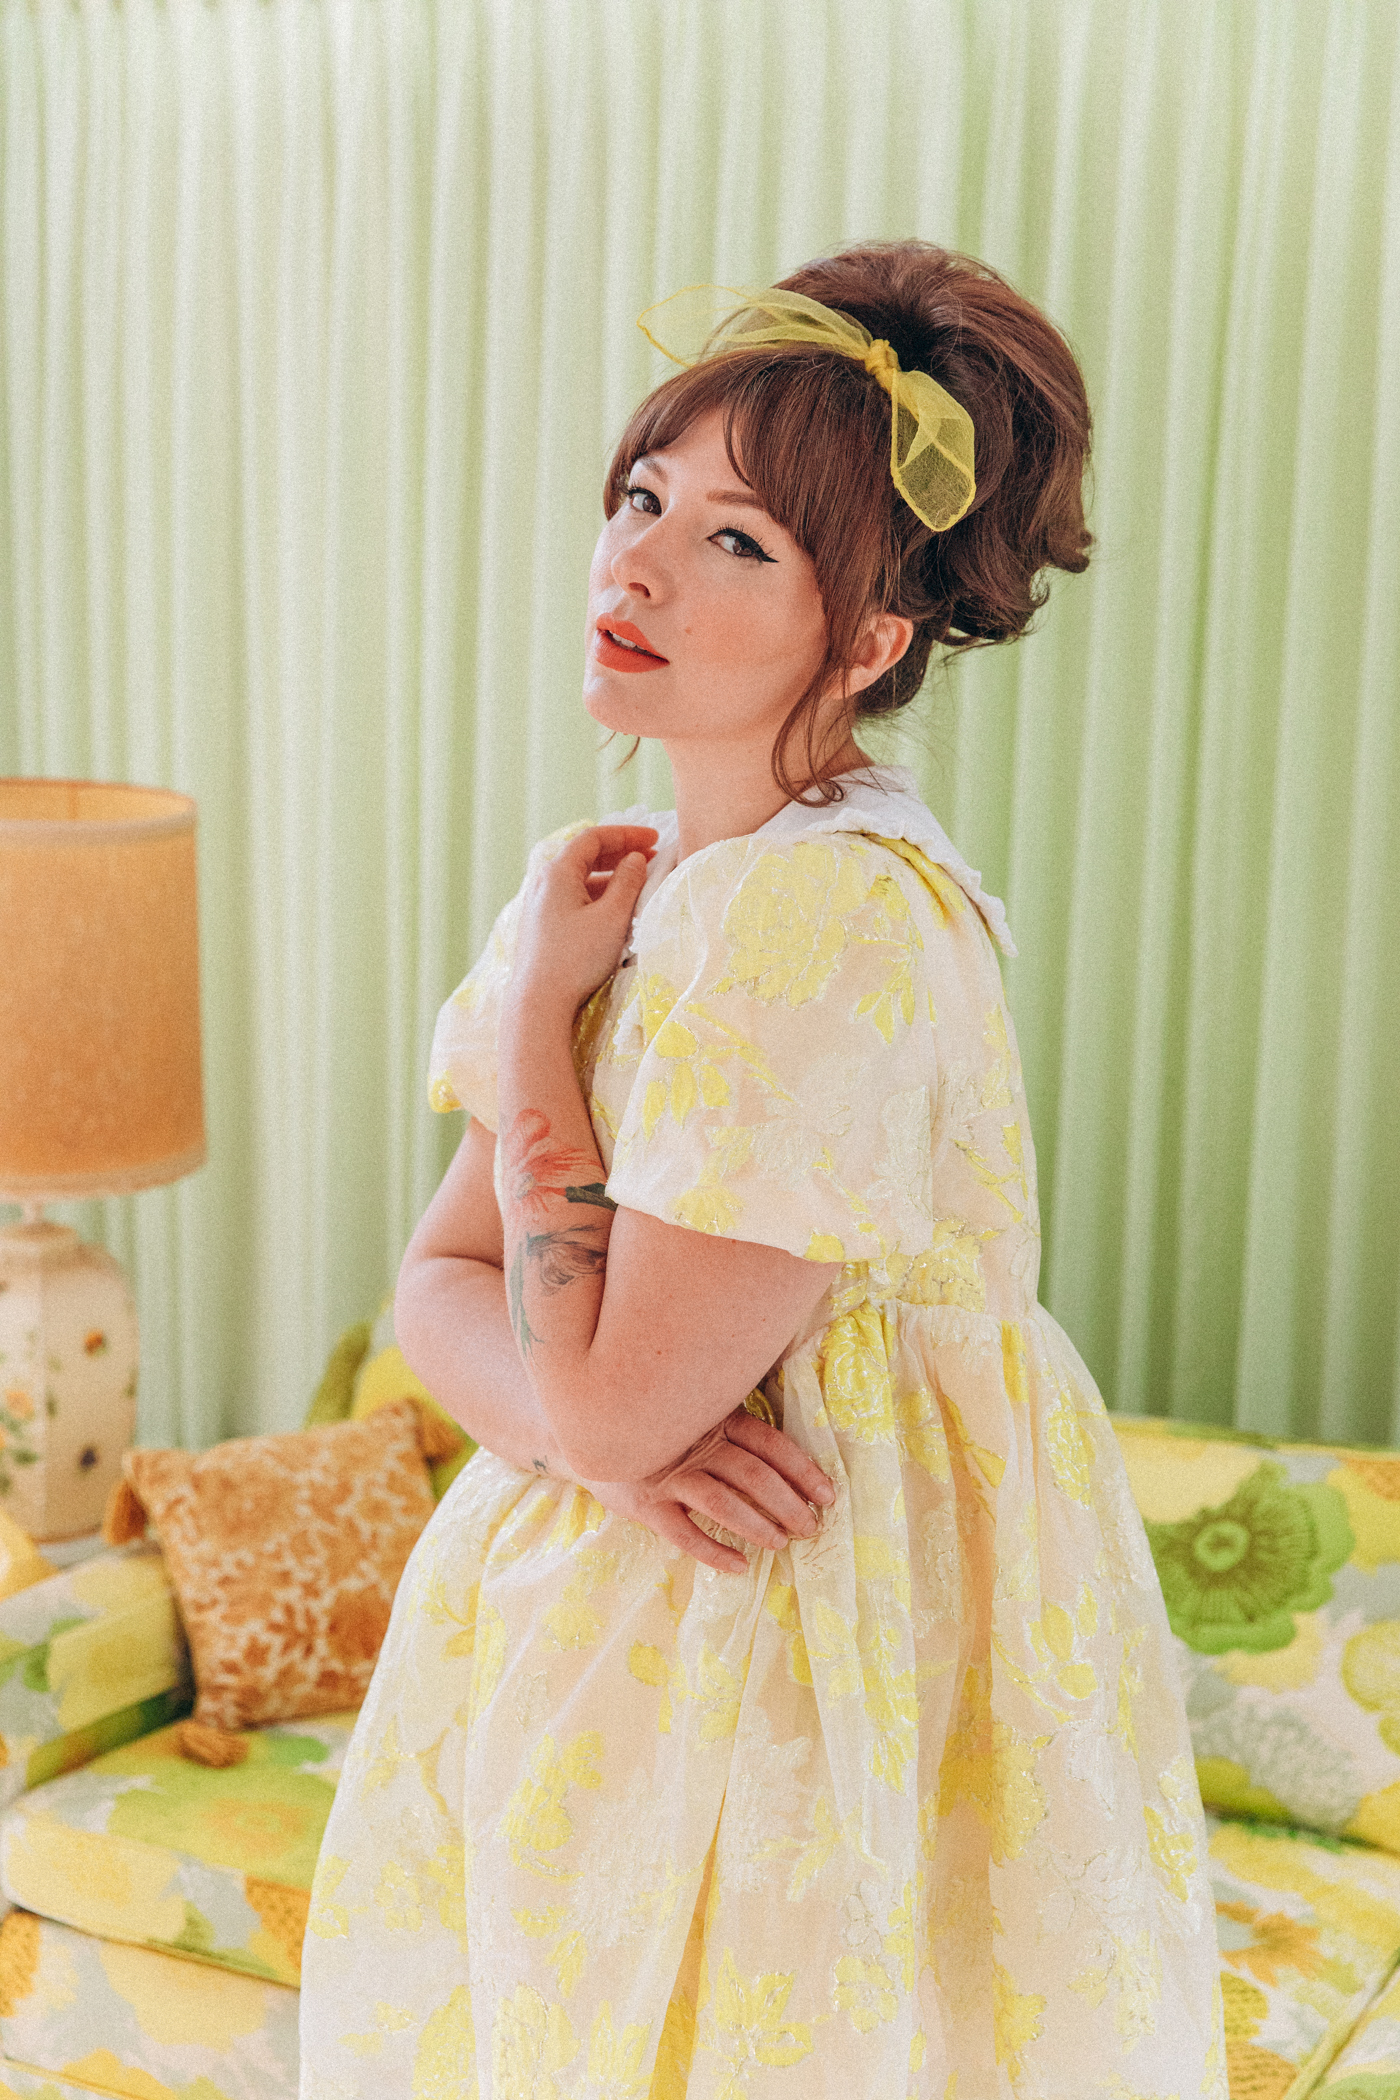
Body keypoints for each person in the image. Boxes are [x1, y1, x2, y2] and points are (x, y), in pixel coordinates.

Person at [300, 241, 1226, 2098]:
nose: (634, 561)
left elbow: (616, 1395)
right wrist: (591, 1438)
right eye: (644, 498)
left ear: (869, 639)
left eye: (737, 541)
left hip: (797, 1647)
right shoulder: (618, 885)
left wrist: (541, 1052)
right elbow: (436, 1295)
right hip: (606, 1634)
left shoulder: (827, 923)